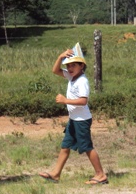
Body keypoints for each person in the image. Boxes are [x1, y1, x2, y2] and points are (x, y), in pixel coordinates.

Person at [39, 43, 108, 185]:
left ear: (81, 66)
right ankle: (56, 174)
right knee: (66, 145)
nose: (70, 68)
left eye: (73, 65)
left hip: (82, 120)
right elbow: (55, 70)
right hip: (74, 119)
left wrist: (65, 100)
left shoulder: (82, 81)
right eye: (68, 66)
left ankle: (100, 174)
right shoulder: (72, 78)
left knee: (87, 147)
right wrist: (60, 57)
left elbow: (83, 101)